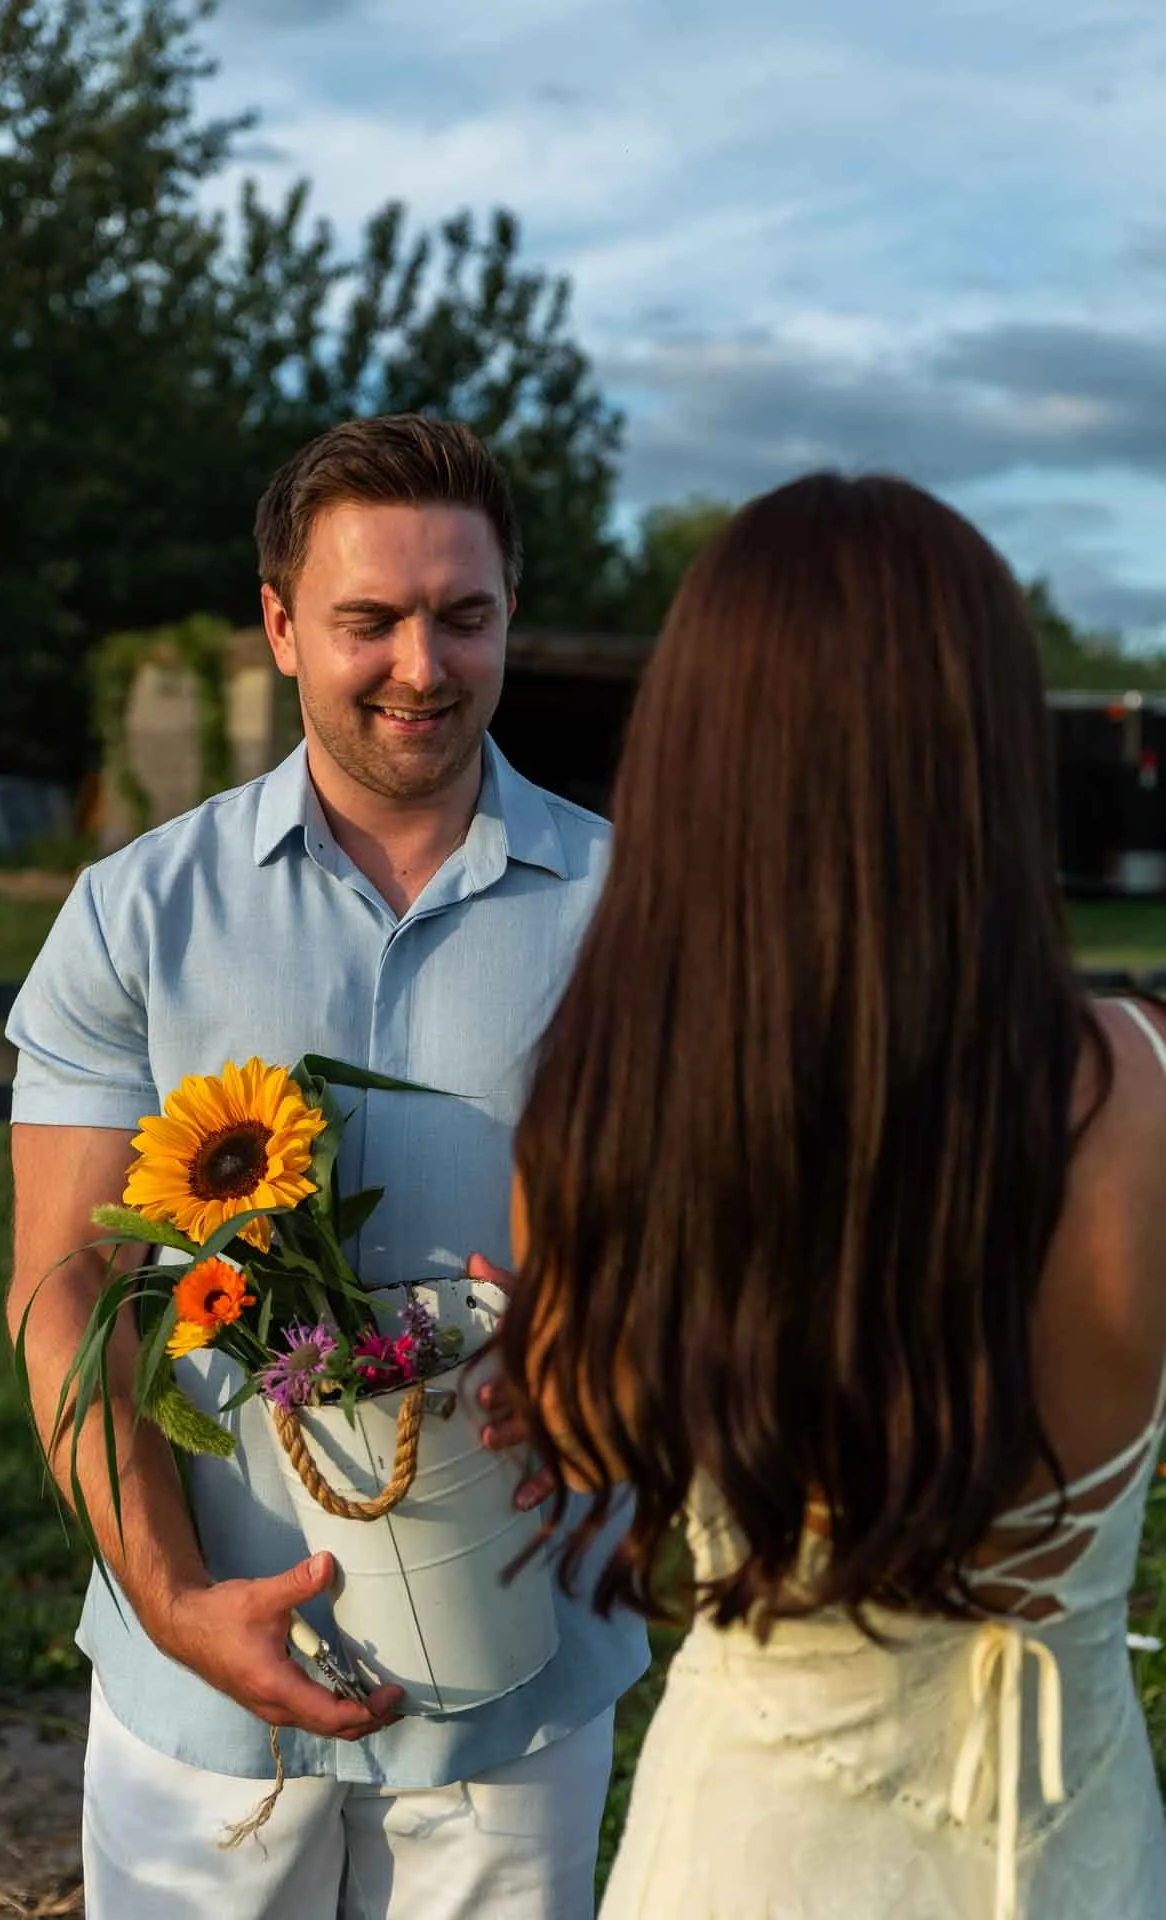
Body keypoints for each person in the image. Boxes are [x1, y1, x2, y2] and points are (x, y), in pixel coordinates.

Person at [492, 472, 1166, 1919]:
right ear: (986, 749)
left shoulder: (612, 1106)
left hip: (747, 1850)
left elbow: (570, 1437)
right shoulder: (1146, 1094)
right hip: (1067, 1854)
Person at [5, 413, 647, 1920]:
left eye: (463, 617)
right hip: (210, 1684)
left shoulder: (641, 910)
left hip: (519, 1664)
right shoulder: (132, 917)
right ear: (283, 627)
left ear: (508, 620)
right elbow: (64, 1285)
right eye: (369, 620)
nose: (422, 666)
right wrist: (170, 1600)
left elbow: (716, 1245)